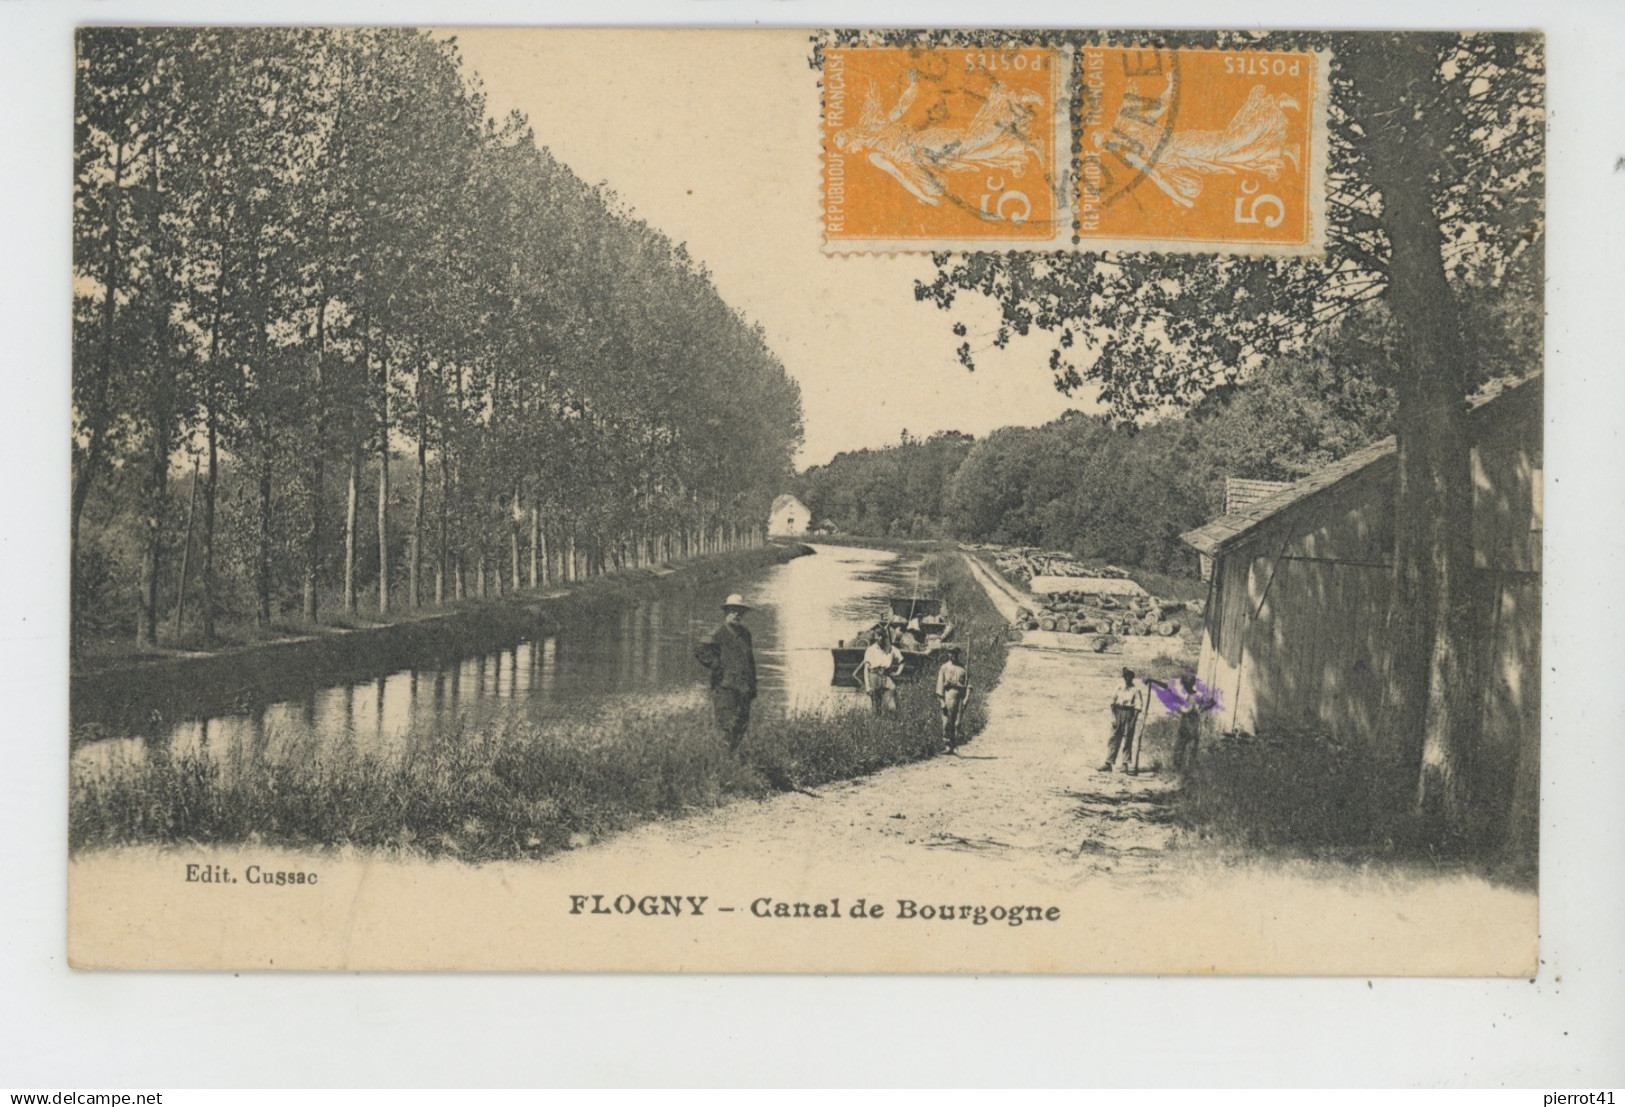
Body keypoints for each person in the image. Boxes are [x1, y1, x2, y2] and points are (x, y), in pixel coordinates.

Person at [693, 593, 757, 753]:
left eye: (740, 611)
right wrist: (716, 665)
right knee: (727, 727)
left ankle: (732, 759)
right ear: (726, 612)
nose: (736, 614)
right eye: (733, 610)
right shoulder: (718, 633)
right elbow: (700, 649)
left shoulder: (745, 634)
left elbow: (750, 661)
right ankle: (724, 763)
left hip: (743, 689)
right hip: (725, 688)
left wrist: (753, 685)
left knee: (741, 726)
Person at [1100, 667, 1146, 773]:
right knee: (1113, 738)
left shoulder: (1135, 690)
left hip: (1129, 714)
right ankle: (1108, 763)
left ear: (1132, 678)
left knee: (1127, 739)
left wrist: (1133, 721)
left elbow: (1138, 707)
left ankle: (1125, 764)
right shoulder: (1119, 687)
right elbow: (1112, 702)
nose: (1127, 678)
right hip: (1118, 713)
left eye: (1130, 676)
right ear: (1124, 677)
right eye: (1126, 676)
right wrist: (1113, 717)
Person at [858, 628, 905, 716]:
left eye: (881, 636)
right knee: (876, 708)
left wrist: (897, 673)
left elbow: (902, 661)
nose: (879, 638)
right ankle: (877, 724)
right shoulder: (870, 649)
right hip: (874, 676)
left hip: (886, 676)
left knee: (892, 707)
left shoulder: (891, 649)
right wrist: (867, 686)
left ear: (885, 637)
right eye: (877, 636)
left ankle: (891, 722)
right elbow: (866, 669)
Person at [934, 647, 969, 753]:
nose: (952, 655)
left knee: (957, 722)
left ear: (957, 654)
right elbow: (939, 686)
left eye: (954, 653)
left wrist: (967, 697)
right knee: (947, 722)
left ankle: (954, 745)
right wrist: (942, 701)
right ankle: (947, 745)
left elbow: (968, 684)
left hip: (960, 696)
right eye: (950, 653)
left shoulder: (963, 668)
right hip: (948, 695)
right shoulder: (944, 667)